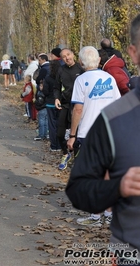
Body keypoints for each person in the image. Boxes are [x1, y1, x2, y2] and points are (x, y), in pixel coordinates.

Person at [66, 15, 140, 263]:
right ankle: (101, 215)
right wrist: (117, 188)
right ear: (133, 53)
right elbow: (78, 189)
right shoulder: (111, 120)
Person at [67, 46, 121, 227]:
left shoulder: (81, 80)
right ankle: (109, 213)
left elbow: (78, 109)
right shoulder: (110, 78)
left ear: (81, 63)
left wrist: (72, 134)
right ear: (98, 60)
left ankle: (96, 217)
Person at [53, 48, 84, 170]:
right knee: (60, 134)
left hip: (78, 105)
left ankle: (77, 161)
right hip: (65, 104)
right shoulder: (61, 70)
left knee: (75, 134)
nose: (67, 58)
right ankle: (66, 154)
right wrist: (56, 98)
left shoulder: (81, 70)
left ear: (73, 54)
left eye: (69, 54)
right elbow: (56, 87)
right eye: (64, 56)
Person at [42, 60, 61, 151]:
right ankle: (60, 145)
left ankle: (54, 145)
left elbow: (45, 91)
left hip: (50, 103)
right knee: (60, 124)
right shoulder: (61, 78)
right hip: (60, 103)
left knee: (52, 125)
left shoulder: (48, 78)